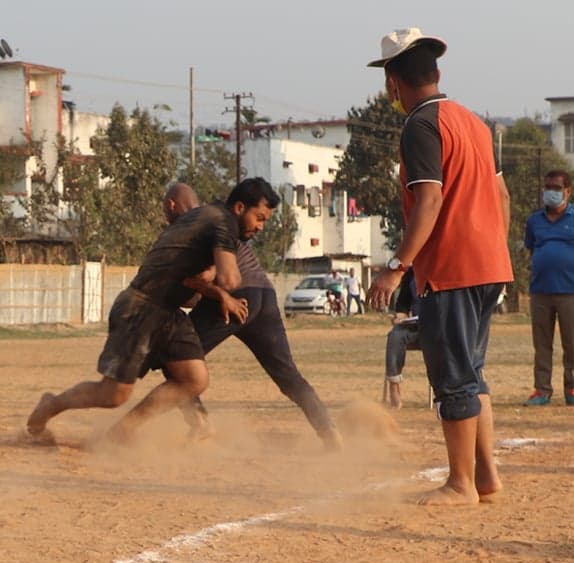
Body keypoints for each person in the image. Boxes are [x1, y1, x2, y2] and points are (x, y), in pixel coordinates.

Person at [363, 27, 513, 508]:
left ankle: (460, 484)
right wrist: (494, 250)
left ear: (392, 83)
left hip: (452, 268)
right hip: (489, 265)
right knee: (473, 372)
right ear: (437, 74)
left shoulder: (421, 126)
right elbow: (502, 196)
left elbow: (429, 201)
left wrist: (397, 266)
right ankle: (486, 476)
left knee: (453, 378)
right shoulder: (474, 123)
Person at [26, 189, 241, 444]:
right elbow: (193, 285)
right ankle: (52, 404)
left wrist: (215, 289)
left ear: (171, 205)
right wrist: (221, 293)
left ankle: (125, 431)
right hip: (141, 308)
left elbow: (192, 292)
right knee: (113, 395)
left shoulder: (202, 231)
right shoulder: (186, 235)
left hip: (169, 313)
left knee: (194, 378)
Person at [170, 178, 340, 447]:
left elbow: (208, 275)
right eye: (259, 219)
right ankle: (329, 432)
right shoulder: (218, 221)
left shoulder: (210, 223)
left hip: (237, 296)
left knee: (175, 357)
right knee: (287, 375)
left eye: (263, 220)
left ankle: (199, 421)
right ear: (239, 208)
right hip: (264, 295)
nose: (260, 227)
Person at [522, 167, 574, 406]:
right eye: (547, 188)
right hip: (540, 291)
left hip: (569, 292)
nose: (551, 192)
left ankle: (572, 389)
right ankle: (542, 390)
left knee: (571, 344)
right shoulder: (535, 220)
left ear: (568, 191)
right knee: (542, 344)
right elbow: (531, 249)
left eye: (556, 188)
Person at [382, 269, 420, 407]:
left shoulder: (442, 269)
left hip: (440, 329)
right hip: (416, 328)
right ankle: (394, 385)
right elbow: (402, 307)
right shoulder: (411, 274)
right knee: (395, 335)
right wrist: (400, 318)